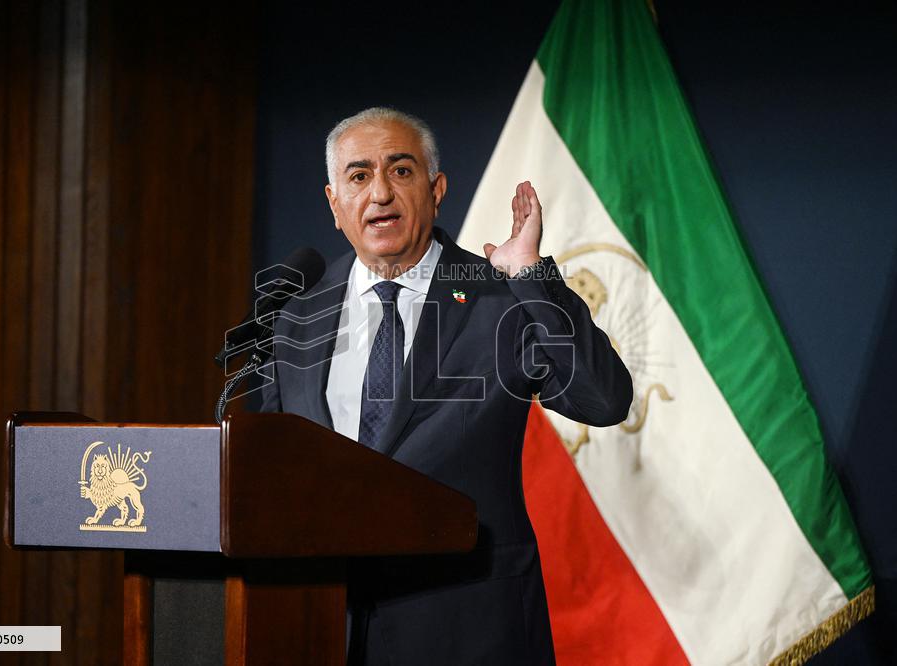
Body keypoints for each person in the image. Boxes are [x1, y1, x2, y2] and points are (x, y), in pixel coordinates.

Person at [260, 107, 632, 665]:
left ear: (436, 190)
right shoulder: (297, 315)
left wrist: (529, 274)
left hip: (469, 629)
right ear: (335, 204)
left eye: (401, 171)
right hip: (326, 629)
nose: (380, 193)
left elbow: (602, 400)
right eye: (359, 177)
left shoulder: (497, 296)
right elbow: (272, 467)